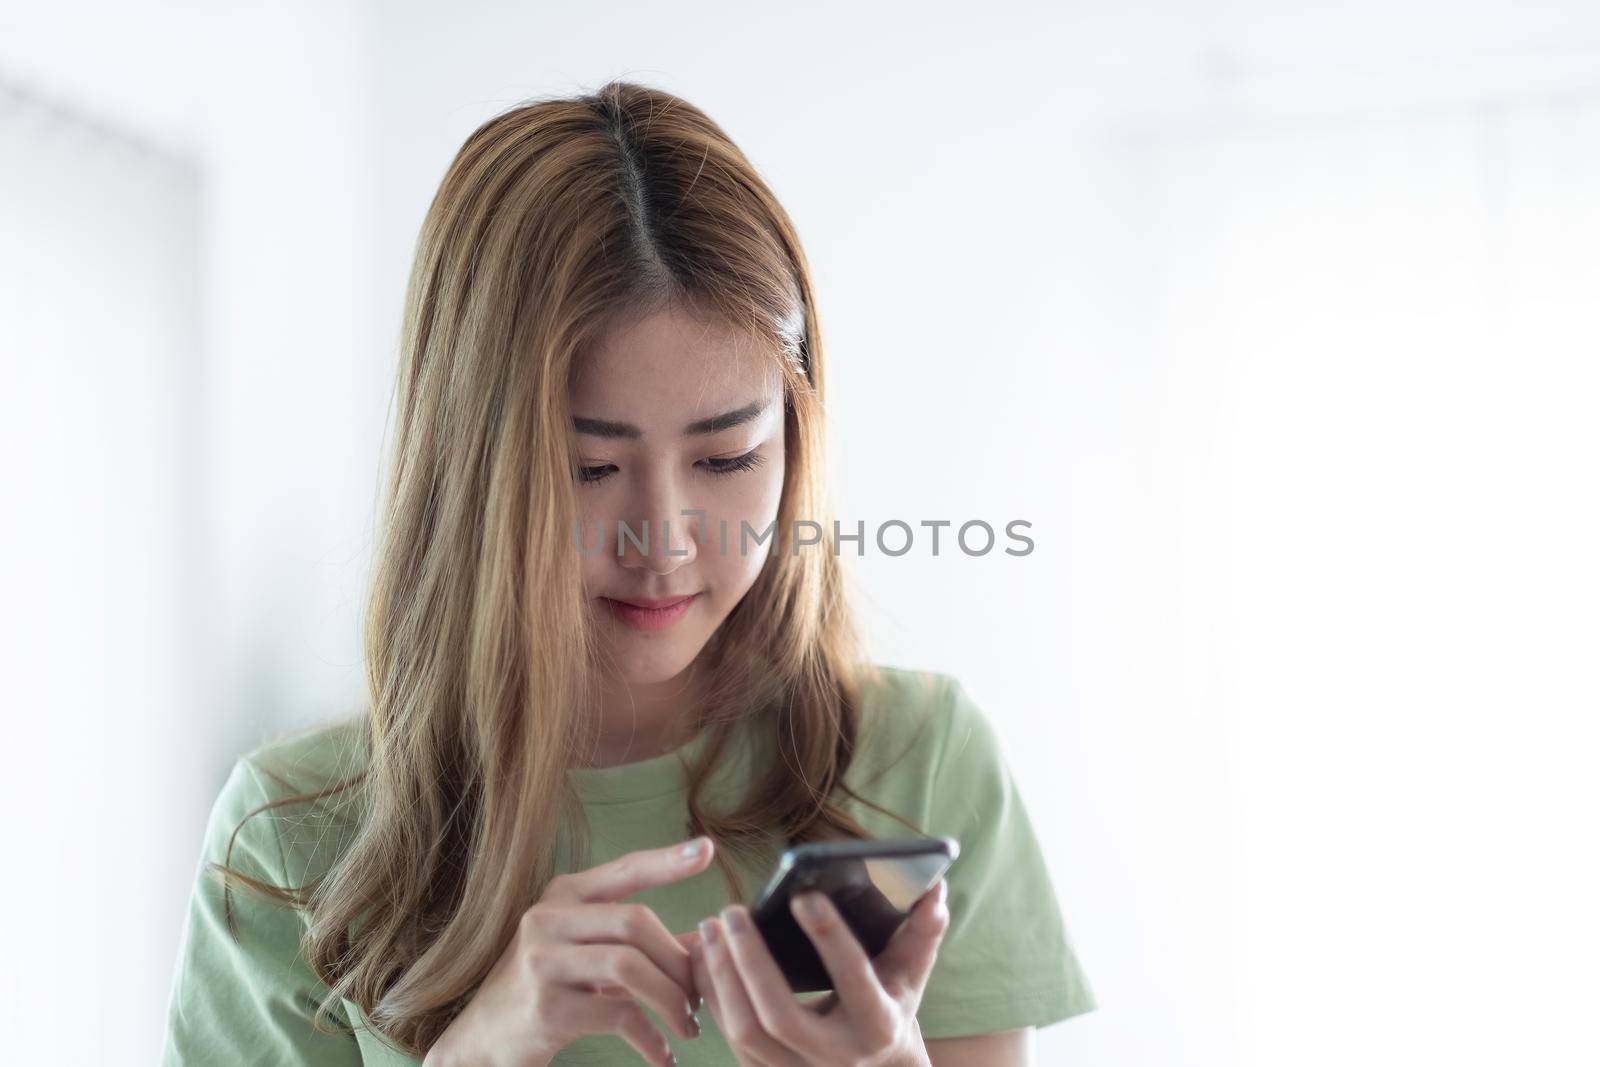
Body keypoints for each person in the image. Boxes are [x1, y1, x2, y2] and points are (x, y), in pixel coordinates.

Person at [159, 79, 1095, 1067]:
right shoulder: (291, 836)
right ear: (467, 465)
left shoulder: (918, 759)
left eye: (727, 458)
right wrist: (473, 1052)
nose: (664, 541)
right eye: (587, 469)